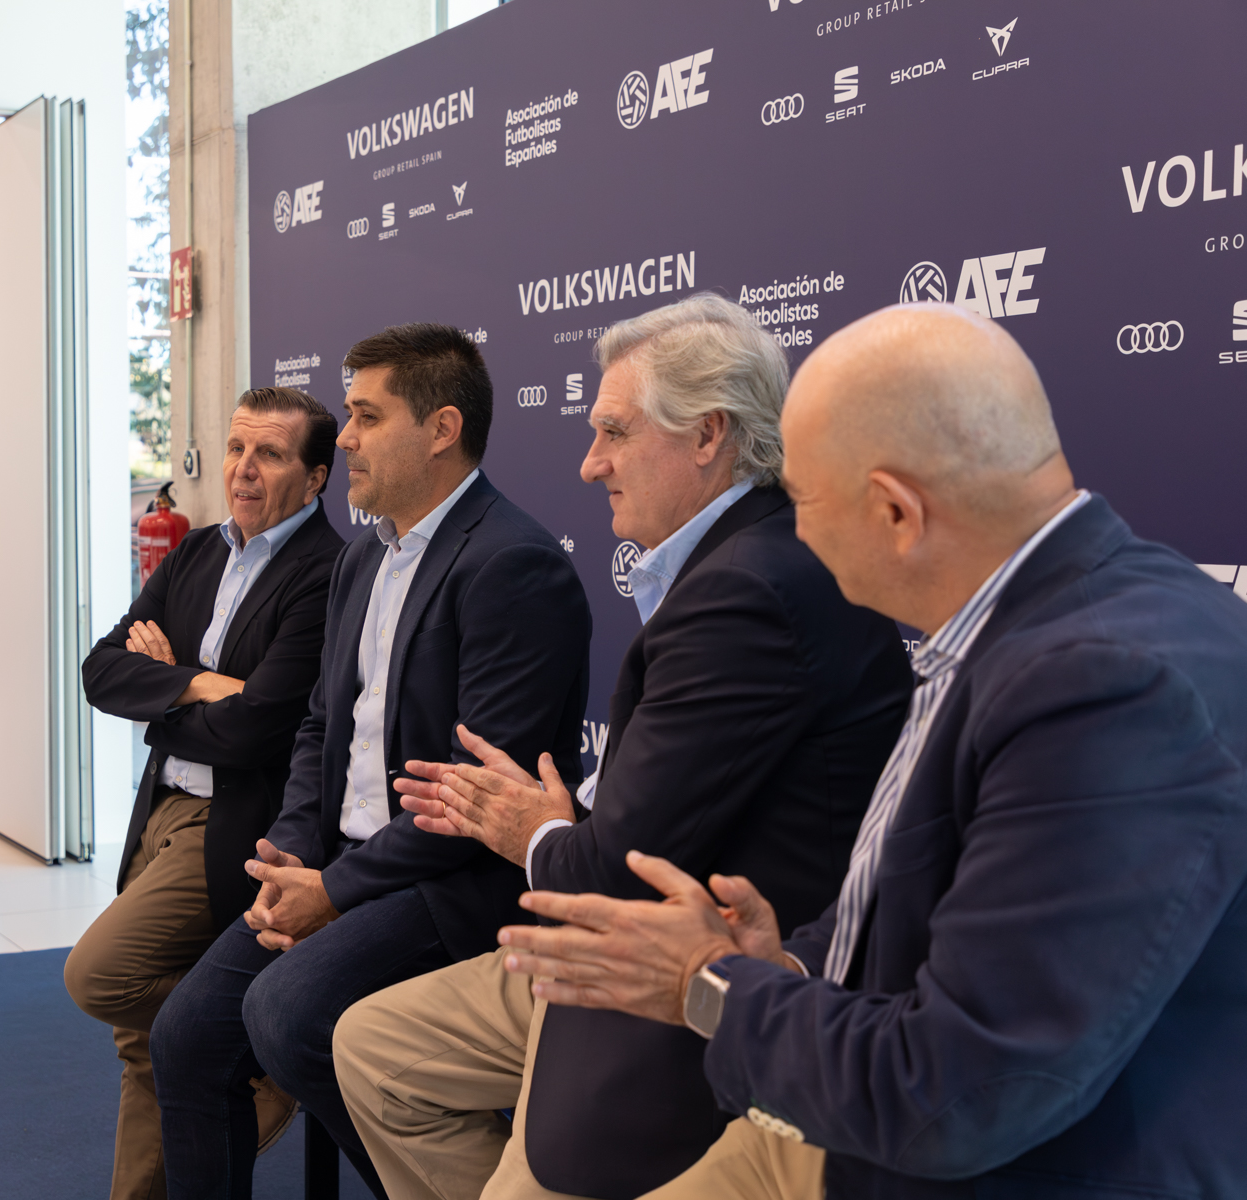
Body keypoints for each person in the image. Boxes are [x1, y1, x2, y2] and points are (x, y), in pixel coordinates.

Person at [494, 302, 1247, 1199]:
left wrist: (709, 983)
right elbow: (934, 915)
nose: (797, 536)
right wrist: (790, 964)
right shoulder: (1049, 621)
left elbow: (962, 1091)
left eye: (804, 503)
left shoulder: (1099, 688)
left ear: (895, 510)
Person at [332, 294, 913, 1200]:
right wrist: (551, 825)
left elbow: (615, 866)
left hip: (684, 970)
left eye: (613, 432)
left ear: (708, 435)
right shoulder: (736, 563)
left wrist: (530, 830)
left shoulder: (746, 592)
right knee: (372, 1046)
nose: (590, 462)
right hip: (613, 927)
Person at [149, 323, 593, 1199]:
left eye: (366, 416)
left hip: (448, 883)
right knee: (185, 1037)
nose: (344, 437)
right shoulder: (363, 558)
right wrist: (291, 852)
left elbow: (475, 803)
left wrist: (335, 891)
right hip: (338, 863)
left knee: (289, 1015)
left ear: (441, 429)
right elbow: (321, 725)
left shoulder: (513, 564)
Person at [72, 387, 346, 1200]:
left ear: (316, 476)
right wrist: (197, 684)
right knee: (139, 1046)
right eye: (236, 449)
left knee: (100, 976)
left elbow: (258, 728)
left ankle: (255, 1048)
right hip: (157, 810)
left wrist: (163, 688)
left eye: (270, 454)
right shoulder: (197, 551)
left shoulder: (327, 572)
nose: (243, 470)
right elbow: (101, 670)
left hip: (229, 823)